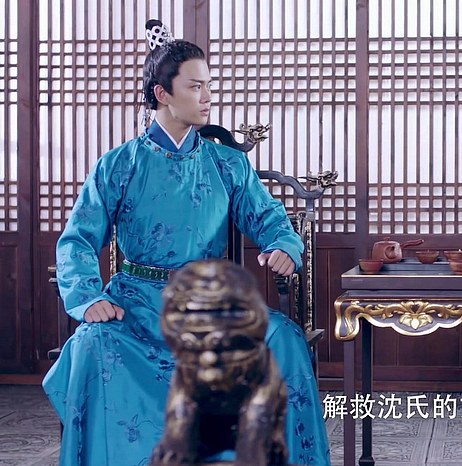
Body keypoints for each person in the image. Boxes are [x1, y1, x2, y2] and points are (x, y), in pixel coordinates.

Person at [42, 19, 331, 466]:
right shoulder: (118, 165)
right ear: (163, 93)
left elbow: (269, 217)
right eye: (196, 87)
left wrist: (284, 246)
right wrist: (87, 296)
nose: (208, 96)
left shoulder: (227, 163)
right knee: (92, 344)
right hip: (137, 303)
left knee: (284, 338)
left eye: (209, 85)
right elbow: (78, 238)